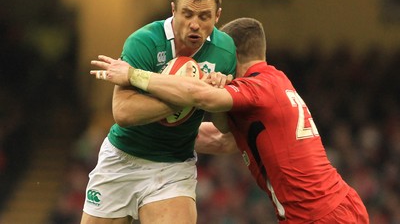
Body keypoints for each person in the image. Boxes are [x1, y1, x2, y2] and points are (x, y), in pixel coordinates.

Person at [90, 17, 369, 223]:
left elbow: (203, 97)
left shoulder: (255, 88)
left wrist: (133, 75)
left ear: (232, 54)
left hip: (316, 214)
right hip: (337, 204)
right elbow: (222, 140)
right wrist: (160, 131)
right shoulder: (276, 80)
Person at [81, 0, 237, 224]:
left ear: (217, 16)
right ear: (173, 10)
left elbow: (223, 125)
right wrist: (191, 93)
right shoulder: (144, 42)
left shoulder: (225, 51)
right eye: (187, 14)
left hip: (174, 165)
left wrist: (219, 95)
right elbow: (123, 113)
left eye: (204, 16)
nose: (194, 24)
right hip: (123, 158)